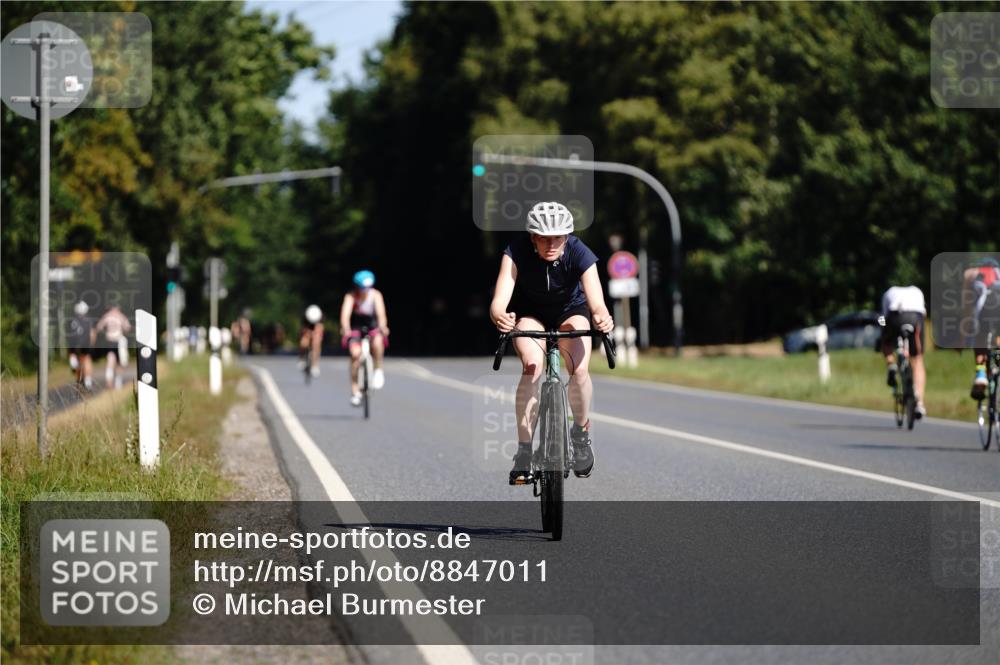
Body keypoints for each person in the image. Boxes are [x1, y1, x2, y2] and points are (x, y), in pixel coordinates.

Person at [489, 201, 614, 484]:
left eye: (558, 237)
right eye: (544, 238)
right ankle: (523, 452)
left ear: (567, 236)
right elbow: (499, 301)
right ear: (532, 237)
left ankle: (580, 435)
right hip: (531, 314)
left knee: (580, 369)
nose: (551, 244)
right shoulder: (515, 252)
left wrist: (602, 318)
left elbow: (597, 302)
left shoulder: (580, 252)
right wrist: (501, 317)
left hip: (572, 311)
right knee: (532, 367)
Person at [339, 270, 389, 407]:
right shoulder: (350, 296)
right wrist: (345, 329)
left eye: (368, 287)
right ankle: (355, 391)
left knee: (377, 342)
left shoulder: (376, 295)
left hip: (371, 325)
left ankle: (378, 369)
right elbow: (345, 315)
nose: (365, 290)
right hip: (356, 326)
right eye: (362, 288)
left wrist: (383, 327)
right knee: (355, 355)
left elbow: (381, 314)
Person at [880, 285, 927, 418]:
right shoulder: (917, 291)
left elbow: (882, 317)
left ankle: (891, 364)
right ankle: (920, 403)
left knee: (885, 342)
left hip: (894, 316)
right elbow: (923, 315)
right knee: (917, 359)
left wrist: (883, 332)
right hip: (915, 317)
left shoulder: (888, 293)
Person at [964, 257, 1000, 400]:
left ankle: (980, 373)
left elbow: (967, 306)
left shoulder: (972, 273)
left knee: (979, 339)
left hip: (985, 308)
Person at [94, 304, 131, 389]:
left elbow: (99, 327)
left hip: (109, 341)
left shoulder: (106, 316)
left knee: (110, 361)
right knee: (120, 363)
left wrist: (106, 332)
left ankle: (109, 382)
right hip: (118, 341)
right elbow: (127, 328)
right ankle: (118, 383)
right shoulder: (121, 316)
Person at [67, 301, 95, 389]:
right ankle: (88, 381)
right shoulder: (88, 320)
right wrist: (92, 345)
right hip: (85, 343)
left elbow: (68, 335)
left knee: (78, 363)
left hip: (74, 345)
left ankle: (79, 380)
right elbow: (92, 333)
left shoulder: (72, 321)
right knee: (86, 359)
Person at [298, 304, 325, 377]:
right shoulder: (305, 317)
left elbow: (320, 329)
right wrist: (307, 334)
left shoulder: (320, 317)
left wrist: (316, 335)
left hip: (316, 329)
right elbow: (303, 330)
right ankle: (302, 358)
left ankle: (314, 365)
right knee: (303, 342)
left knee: (317, 343)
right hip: (307, 328)